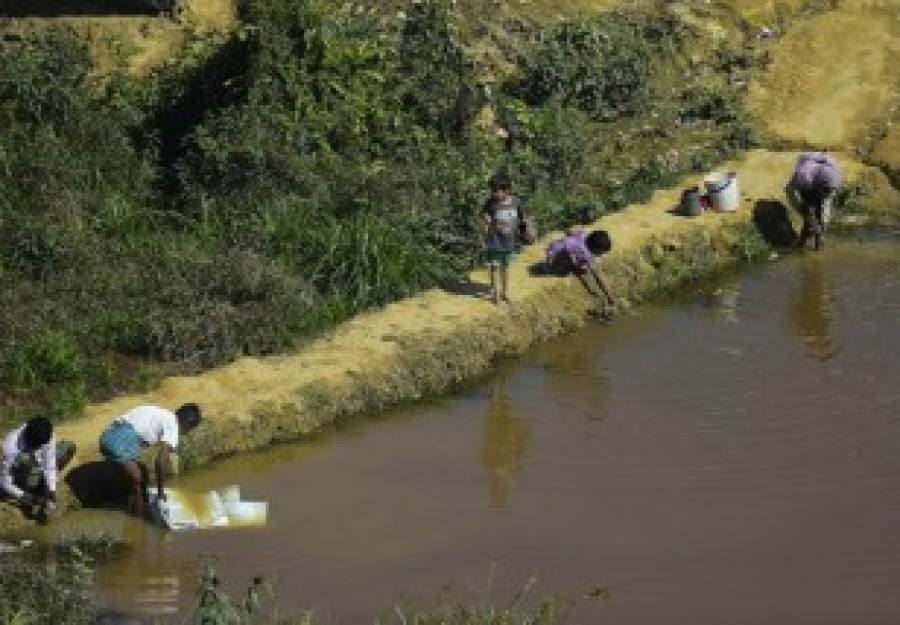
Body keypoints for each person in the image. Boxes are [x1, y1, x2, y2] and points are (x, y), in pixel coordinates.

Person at [98, 403, 202, 517]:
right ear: (187, 423)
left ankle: (128, 513)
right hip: (121, 443)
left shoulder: (161, 413)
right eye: (190, 429)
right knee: (139, 483)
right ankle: (138, 524)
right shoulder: (173, 425)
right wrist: (160, 492)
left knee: (134, 480)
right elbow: (160, 462)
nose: (186, 433)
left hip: (108, 437)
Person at [1, 417, 76, 517]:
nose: (38, 447)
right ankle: (31, 490)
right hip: (20, 475)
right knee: (31, 465)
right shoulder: (11, 446)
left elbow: (50, 464)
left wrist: (51, 490)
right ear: (28, 436)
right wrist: (24, 495)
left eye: (41, 445)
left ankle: (41, 488)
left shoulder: (47, 436)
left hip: (38, 469)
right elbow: (5, 481)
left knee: (67, 447)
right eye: (36, 445)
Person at [482, 172, 529, 307]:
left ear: (507, 190)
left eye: (496, 191)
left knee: (505, 268)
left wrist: (525, 230)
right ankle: (496, 296)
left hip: (510, 243)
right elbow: (484, 214)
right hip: (495, 242)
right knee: (495, 268)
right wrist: (490, 221)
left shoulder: (516, 202)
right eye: (492, 191)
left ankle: (505, 292)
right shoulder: (491, 203)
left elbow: (523, 217)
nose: (493, 194)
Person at [545, 228, 616, 309]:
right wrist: (609, 296)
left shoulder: (584, 234)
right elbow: (598, 277)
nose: (601, 255)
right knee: (582, 267)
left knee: (577, 258)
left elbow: (569, 232)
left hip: (552, 248)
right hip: (553, 263)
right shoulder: (585, 254)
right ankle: (566, 266)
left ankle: (569, 262)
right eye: (601, 252)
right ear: (595, 248)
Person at [785, 151, 842, 251]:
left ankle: (814, 234)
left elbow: (791, 190)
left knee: (810, 211)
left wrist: (801, 209)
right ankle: (817, 238)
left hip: (821, 181)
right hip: (833, 180)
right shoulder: (826, 160)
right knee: (821, 208)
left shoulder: (803, 169)